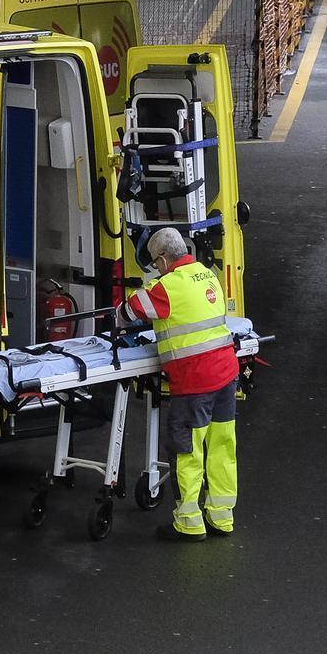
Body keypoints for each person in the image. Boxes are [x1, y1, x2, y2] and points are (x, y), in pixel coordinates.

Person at [118, 227, 240, 542]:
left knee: (187, 450)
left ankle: (189, 522)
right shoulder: (207, 273)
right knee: (221, 447)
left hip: (194, 381)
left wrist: (128, 307)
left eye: (156, 264)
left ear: (162, 258)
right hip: (226, 373)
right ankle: (221, 518)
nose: (156, 269)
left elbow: (128, 311)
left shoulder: (166, 287)